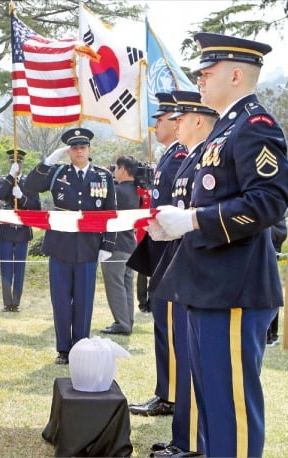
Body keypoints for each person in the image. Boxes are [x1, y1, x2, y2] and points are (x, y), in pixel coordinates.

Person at [152, 33, 288, 458]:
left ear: (234, 74)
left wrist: (193, 219)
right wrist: (177, 226)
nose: (201, 80)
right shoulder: (224, 128)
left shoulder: (254, 125)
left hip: (234, 286)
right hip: (207, 284)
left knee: (231, 409)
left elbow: (268, 201)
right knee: (211, 403)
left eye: (207, 73)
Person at [147, 90, 218, 458]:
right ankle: (185, 440)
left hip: (195, 270)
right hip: (180, 264)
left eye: (180, 117)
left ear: (198, 120)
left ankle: (190, 442)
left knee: (192, 360)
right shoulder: (189, 158)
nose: (174, 123)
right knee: (185, 353)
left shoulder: (204, 159)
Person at [25, 128, 116, 365]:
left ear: (89, 149)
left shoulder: (103, 176)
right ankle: (64, 348)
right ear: (69, 152)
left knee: (84, 299)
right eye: (74, 148)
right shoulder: (57, 173)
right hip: (60, 244)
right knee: (61, 298)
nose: (79, 151)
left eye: (82, 147)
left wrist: (108, 243)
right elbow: (30, 186)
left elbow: (110, 212)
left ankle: (81, 345)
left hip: (88, 245)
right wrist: (47, 161)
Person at [127, 93, 188, 416]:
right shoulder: (169, 155)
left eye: (160, 120)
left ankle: (172, 394)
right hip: (162, 251)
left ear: (178, 123)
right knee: (163, 325)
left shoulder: (180, 157)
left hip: (171, 253)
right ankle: (166, 390)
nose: (155, 126)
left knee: (169, 326)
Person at [0, 149, 41, 312]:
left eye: (19, 162)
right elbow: (0, 195)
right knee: (6, 267)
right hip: (7, 230)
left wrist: (22, 197)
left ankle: (16, 301)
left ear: (22, 163)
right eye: (13, 162)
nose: (16, 165)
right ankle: (7, 302)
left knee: (19, 269)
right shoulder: (3, 180)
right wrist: (10, 176)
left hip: (22, 231)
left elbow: (36, 207)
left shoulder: (30, 183)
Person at [100, 155, 140, 335]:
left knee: (115, 284)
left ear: (123, 169)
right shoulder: (133, 190)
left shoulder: (117, 191)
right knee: (126, 285)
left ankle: (122, 323)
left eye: (116, 168)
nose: (114, 171)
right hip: (130, 243)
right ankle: (127, 321)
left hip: (115, 244)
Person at [267, 217, 286, 347]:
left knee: (268, 286)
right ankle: (271, 334)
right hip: (273, 235)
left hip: (272, 237)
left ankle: (270, 335)